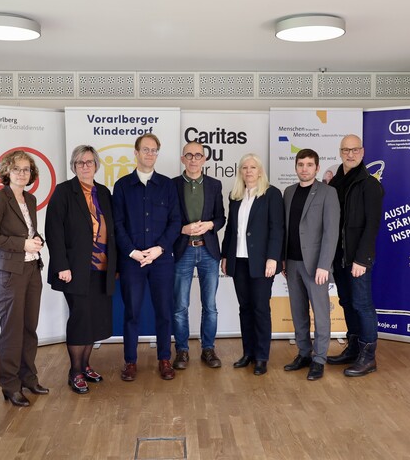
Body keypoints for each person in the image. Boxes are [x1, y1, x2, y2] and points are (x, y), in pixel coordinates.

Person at [45, 145, 117, 395]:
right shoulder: (64, 192)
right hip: (75, 270)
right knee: (80, 318)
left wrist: (115, 266)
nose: (85, 166)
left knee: (93, 319)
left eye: (89, 162)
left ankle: (85, 366)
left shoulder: (104, 193)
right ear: (73, 166)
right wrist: (62, 266)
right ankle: (74, 372)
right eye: (79, 162)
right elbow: (53, 231)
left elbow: (112, 232)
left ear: (96, 165)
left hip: (101, 268)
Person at [0, 150, 48, 407]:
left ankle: (28, 378)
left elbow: (27, 230)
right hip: (8, 273)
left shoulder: (30, 198)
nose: (22, 173)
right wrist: (22, 244)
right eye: (17, 168)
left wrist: (37, 239)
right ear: (7, 171)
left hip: (31, 269)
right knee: (12, 330)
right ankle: (10, 385)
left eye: (26, 169)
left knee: (29, 327)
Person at [113, 133, 181, 381]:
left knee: (164, 311)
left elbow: (175, 222)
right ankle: (130, 361)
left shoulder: (167, 185)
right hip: (132, 261)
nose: (150, 154)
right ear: (136, 152)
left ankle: (165, 358)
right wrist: (132, 251)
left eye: (154, 150)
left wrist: (158, 249)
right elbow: (117, 224)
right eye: (145, 149)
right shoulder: (122, 186)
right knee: (132, 313)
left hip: (161, 260)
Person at [221, 153, 284, 376]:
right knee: (245, 308)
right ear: (240, 171)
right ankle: (248, 353)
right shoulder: (235, 195)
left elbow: (277, 228)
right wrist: (225, 255)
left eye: (253, 167)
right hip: (238, 260)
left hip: (262, 262)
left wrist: (273, 257)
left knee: (260, 308)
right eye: (244, 168)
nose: (248, 171)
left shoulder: (271, 194)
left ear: (260, 171)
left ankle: (262, 357)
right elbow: (231, 229)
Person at [327, 134, 384, 377]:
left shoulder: (370, 185)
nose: (350, 154)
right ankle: (353, 348)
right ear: (340, 153)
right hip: (339, 257)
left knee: (362, 305)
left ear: (362, 152)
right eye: (345, 150)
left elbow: (372, 226)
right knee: (347, 302)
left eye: (354, 150)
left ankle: (368, 357)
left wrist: (362, 259)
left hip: (358, 259)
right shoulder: (334, 183)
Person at [282, 149, 340, 381]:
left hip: (316, 265)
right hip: (292, 263)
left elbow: (331, 232)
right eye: (300, 164)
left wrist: (324, 265)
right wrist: (283, 259)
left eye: (309, 165)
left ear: (317, 168)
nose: (304, 169)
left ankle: (319, 359)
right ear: (296, 167)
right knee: (298, 312)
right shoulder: (288, 192)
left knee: (321, 313)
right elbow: (286, 229)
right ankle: (304, 353)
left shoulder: (328, 192)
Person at [172, 141, 226, 370]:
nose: (193, 159)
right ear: (182, 159)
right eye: (189, 155)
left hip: (208, 250)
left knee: (210, 305)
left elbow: (221, 217)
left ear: (204, 159)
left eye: (198, 155)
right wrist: (181, 229)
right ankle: (182, 351)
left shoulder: (214, 185)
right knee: (180, 306)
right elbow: (166, 219)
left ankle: (208, 349)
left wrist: (210, 225)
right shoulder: (172, 185)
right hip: (182, 250)